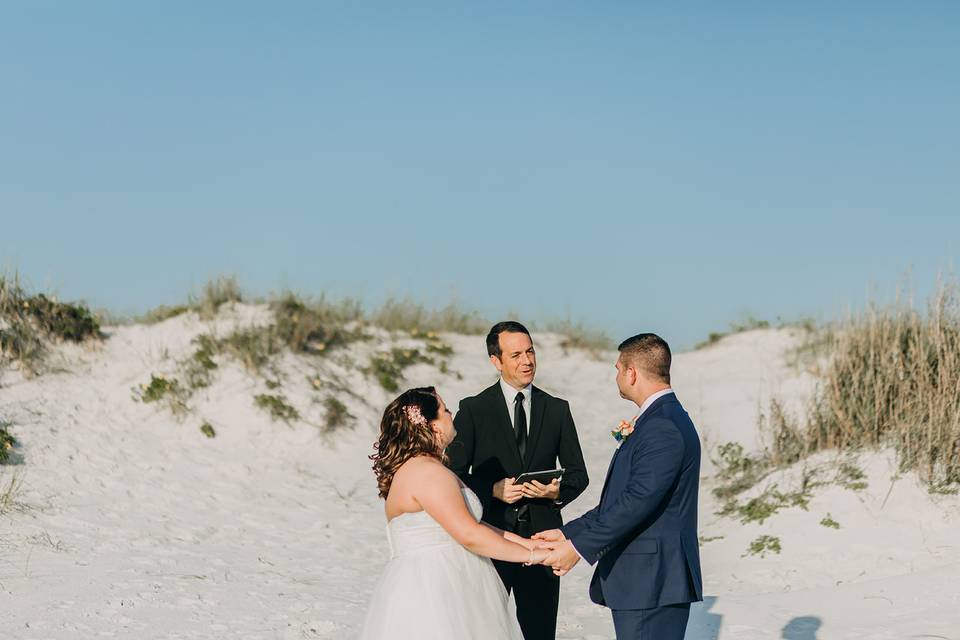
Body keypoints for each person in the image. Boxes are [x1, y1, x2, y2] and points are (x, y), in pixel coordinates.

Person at [535, 333, 703, 640]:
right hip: (647, 580)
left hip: (651, 580)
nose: (616, 376)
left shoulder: (662, 426)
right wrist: (567, 532)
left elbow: (638, 501)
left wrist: (578, 549)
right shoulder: (659, 419)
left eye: (617, 369)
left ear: (632, 372)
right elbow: (624, 499)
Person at [360, 386, 549, 640]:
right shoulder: (427, 472)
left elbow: (474, 524)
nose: (451, 414)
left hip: (446, 580)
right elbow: (469, 534)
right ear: (434, 426)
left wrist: (529, 544)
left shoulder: (423, 468)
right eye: (445, 410)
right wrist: (531, 556)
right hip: (435, 591)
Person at [447, 321, 589, 640]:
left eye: (530, 351)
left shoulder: (557, 409)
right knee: (484, 630)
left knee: (540, 633)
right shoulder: (473, 410)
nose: (527, 361)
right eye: (516, 355)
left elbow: (579, 474)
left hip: (543, 539)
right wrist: (492, 489)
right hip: (489, 536)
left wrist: (556, 492)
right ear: (496, 361)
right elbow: (450, 474)